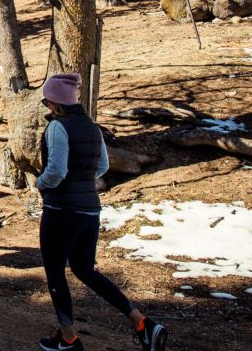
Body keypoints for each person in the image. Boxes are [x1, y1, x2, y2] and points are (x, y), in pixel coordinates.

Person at [36, 74, 166, 351]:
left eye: (47, 100)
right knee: (85, 269)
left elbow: (56, 171)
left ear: (56, 103)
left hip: (61, 209)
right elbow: (102, 166)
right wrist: (83, 183)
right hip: (89, 209)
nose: (46, 105)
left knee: (55, 270)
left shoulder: (58, 128)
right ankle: (142, 323)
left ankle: (68, 337)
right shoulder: (92, 128)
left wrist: (41, 183)